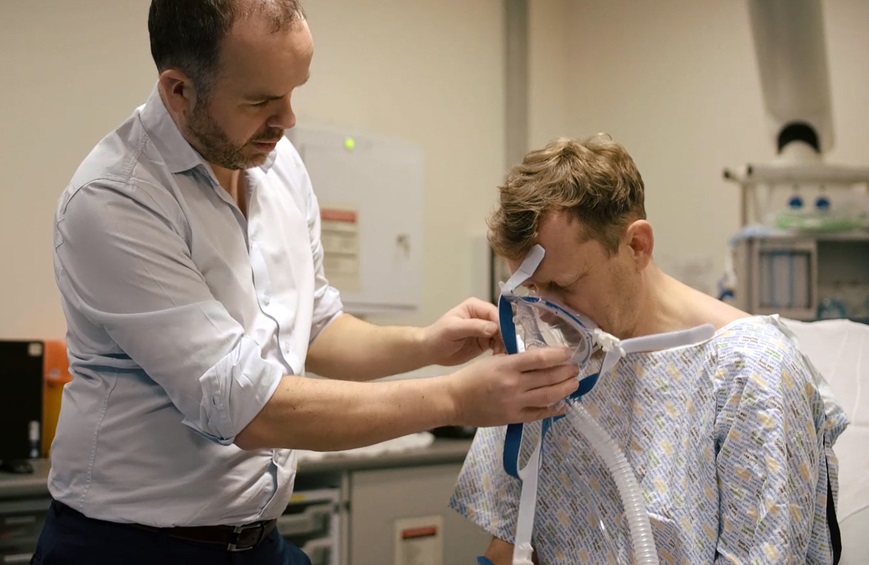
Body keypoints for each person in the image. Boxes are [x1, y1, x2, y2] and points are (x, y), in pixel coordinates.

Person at [32, 2, 582, 564]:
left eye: (294, 91)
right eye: (261, 102)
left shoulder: (275, 165)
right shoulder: (115, 201)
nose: (287, 120)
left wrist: (427, 345)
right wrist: (455, 398)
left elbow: (316, 326)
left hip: (255, 542)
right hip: (127, 546)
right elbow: (247, 408)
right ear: (179, 91)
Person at [449, 134, 849, 564]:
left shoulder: (750, 373)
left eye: (561, 287)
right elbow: (509, 542)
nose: (545, 314)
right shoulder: (541, 358)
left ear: (637, 245)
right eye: (531, 291)